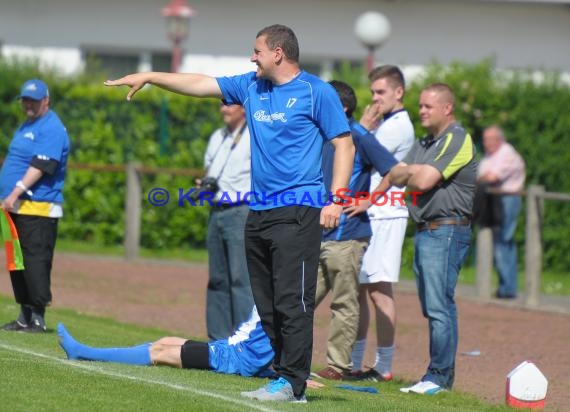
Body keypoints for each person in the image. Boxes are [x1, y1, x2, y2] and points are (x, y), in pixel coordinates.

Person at [104, 24, 354, 403]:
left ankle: (293, 385)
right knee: (267, 303)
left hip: (299, 211)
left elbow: (344, 143)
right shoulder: (251, 86)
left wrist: (336, 200)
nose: (251, 57)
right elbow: (201, 84)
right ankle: (279, 376)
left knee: (293, 302)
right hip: (259, 211)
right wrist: (151, 76)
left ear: (278, 53)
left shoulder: (316, 92)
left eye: (257, 50)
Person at [389, 83, 477, 394]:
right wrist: (411, 171)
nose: (421, 110)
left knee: (440, 306)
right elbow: (396, 173)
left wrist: (412, 171)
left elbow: (422, 181)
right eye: (421, 105)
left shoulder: (457, 138)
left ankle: (439, 378)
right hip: (427, 230)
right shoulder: (427, 141)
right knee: (432, 306)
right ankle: (437, 376)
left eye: (428, 106)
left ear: (446, 108)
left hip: (447, 230)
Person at [313, 80, 397, 380]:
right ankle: (285, 357)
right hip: (316, 234)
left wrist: (367, 201)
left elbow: (395, 170)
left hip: (346, 235)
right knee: (299, 299)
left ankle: (337, 366)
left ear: (343, 107)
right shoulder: (320, 134)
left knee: (344, 302)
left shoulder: (359, 136)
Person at [348, 65, 414, 382]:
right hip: (372, 211)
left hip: (386, 214)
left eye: (380, 92)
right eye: (372, 92)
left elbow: (363, 152)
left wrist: (360, 127)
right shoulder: (386, 123)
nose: (374, 99)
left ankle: (384, 366)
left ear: (398, 92)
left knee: (379, 289)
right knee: (359, 287)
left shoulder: (398, 127)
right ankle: (354, 362)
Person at [0, 79, 70, 333]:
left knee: (35, 261)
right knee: (17, 262)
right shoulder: (26, 125)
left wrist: (15, 192)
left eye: (33, 100)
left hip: (37, 207)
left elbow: (42, 165)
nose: (28, 104)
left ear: (46, 100)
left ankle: (38, 317)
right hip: (15, 207)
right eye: (25, 100)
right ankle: (23, 315)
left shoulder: (52, 127)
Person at [57, 306, 275, 377]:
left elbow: (290, 334)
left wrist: (293, 374)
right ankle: (90, 352)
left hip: (235, 356)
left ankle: (83, 352)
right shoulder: (274, 281)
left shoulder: (288, 293)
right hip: (230, 347)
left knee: (159, 351)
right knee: (166, 340)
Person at [201, 103, 254, 340]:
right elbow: (208, 170)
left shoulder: (254, 135)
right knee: (217, 279)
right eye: (221, 104)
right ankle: (218, 339)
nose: (223, 109)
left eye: (229, 104)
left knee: (241, 279)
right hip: (216, 210)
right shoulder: (217, 136)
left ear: (244, 108)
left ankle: (243, 340)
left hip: (241, 211)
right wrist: (202, 184)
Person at [477, 125, 525, 299]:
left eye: (489, 139)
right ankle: (504, 286)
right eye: (485, 139)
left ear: (499, 139)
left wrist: (482, 177)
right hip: (494, 199)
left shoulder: (507, 153)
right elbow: (482, 174)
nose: (486, 143)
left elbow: (491, 177)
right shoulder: (491, 155)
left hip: (508, 199)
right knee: (498, 242)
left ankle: (508, 288)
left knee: (504, 240)